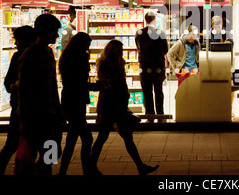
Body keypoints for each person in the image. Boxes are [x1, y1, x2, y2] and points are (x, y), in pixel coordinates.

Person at [90, 40, 158, 175]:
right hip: (110, 105)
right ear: (111, 51)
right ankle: (91, 167)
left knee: (118, 137)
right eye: (118, 51)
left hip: (116, 105)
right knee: (107, 137)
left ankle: (140, 166)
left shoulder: (119, 63)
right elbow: (109, 84)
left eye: (121, 51)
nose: (120, 53)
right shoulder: (107, 65)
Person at [16, 14, 64, 175]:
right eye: (55, 31)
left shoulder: (48, 53)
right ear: (45, 31)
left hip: (49, 117)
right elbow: (24, 91)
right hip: (36, 118)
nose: (57, 35)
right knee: (38, 155)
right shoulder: (29, 56)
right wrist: (24, 122)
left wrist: (58, 111)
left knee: (51, 154)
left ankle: (44, 171)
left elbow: (51, 86)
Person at [0, 26, 36, 176]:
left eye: (18, 40)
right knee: (45, 144)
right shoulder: (18, 56)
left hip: (27, 108)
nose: (16, 43)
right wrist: (13, 86)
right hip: (25, 108)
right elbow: (8, 82)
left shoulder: (40, 55)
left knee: (13, 144)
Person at [58, 32, 96, 175]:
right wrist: (96, 86)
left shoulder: (67, 57)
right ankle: (87, 171)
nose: (88, 48)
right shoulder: (78, 58)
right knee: (86, 138)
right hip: (76, 100)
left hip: (70, 99)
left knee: (72, 139)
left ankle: (64, 171)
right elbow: (79, 82)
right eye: (87, 45)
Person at [135, 12, 168, 121]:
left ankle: (149, 115)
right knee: (158, 90)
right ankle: (160, 114)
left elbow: (138, 48)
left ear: (145, 20)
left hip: (144, 66)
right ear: (155, 20)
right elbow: (166, 50)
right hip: (158, 65)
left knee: (147, 91)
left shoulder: (139, 33)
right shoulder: (160, 33)